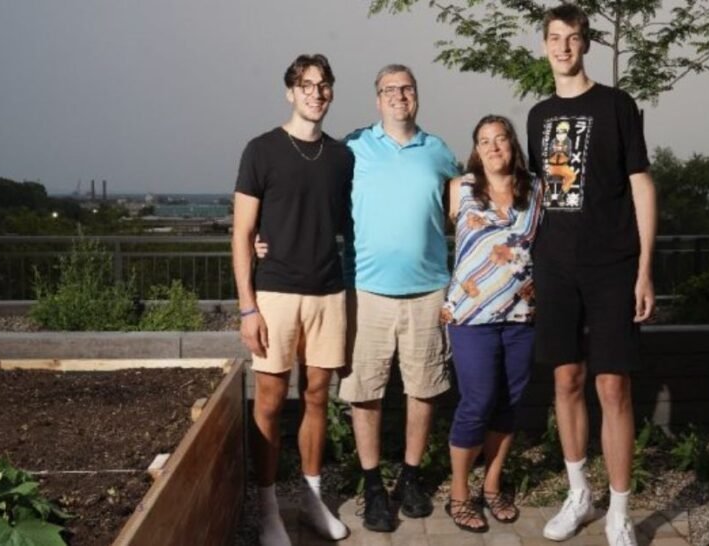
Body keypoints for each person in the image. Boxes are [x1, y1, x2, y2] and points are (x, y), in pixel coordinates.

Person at [526, 4, 658, 546]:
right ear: (544, 47)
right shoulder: (536, 116)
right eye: (554, 38)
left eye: (572, 38)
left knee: (613, 386)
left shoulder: (617, 105)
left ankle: (620, 510)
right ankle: (579, 492)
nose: (563, 47)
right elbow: (532, 194)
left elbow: (642, 186)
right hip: (555, 267)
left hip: (613, 267)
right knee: (566, 379)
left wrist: (645, 269)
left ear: (585, 44)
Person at [231, 53, 352, 546]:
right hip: (275, 293)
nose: (315, 92)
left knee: (319, 397)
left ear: (331, 92)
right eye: (306, 84)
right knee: (271, 402)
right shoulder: (261, 150)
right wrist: (247, 306)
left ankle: (312, 499)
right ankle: (268, 510)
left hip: (329, 291)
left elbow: (352, 222)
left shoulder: (343, 156)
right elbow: (241, 234)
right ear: (290, 91)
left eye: (323, 85)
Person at [337, 64, 461, 533]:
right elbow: (313, 196)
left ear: (417, 96)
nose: (399, 96)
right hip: (367, 291)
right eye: (389, 89)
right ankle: (372, 486)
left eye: (406, 88)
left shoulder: (439, 151)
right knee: (364, 391)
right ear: (377, 99)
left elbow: (463, 214)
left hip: (429, 290)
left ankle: (410, 477)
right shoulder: (354, 148)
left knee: (423, 388)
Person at [441, 115, 543, 533]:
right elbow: (423, 232)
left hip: (522, 315)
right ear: (476, 149)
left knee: (509, 403)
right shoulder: (459, 189)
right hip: (470, 315)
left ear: (512, 144)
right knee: (477, 400)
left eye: (500, 139)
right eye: (484, 141)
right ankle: (459, 494)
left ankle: (493, 485)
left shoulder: (536, 189)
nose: (493, 146)